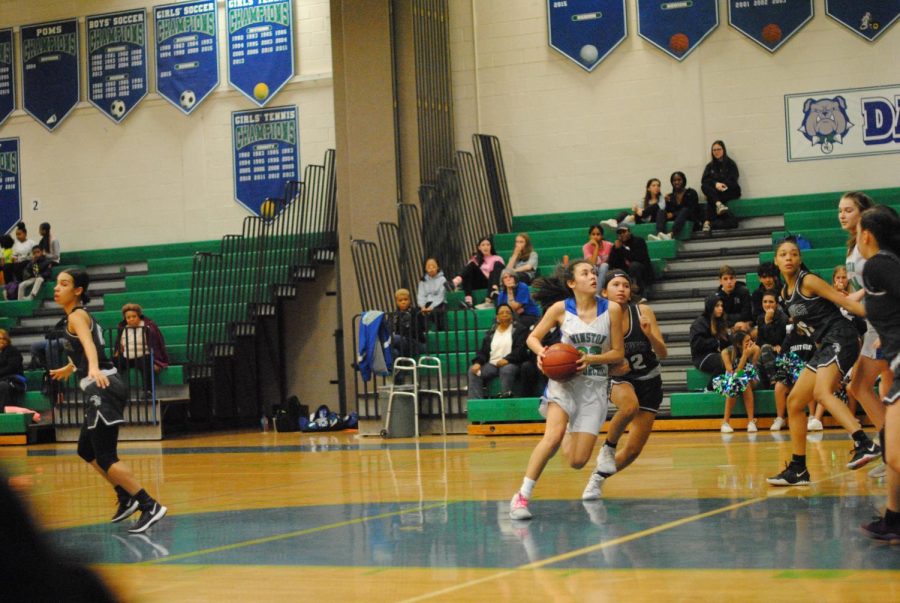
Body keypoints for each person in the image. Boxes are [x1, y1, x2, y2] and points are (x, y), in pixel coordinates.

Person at [48, 269, 167, 532]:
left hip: (103, 386)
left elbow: (91, 347)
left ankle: (149, 505)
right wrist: (71, 368)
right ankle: (125, 497)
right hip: (100, 385)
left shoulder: (77, 316)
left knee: (105, 455)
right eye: (56, 284)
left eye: (64, 284)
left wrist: (92, 367)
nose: (57, 288)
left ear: (78, 291)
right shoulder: (76, 317)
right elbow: (88, 347)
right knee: (86, 450)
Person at [509, 260, 624, 520]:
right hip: (563, 384)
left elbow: (618, 352)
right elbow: (532, 338)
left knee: (577, 461)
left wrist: (591, 360)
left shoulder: (613, 310)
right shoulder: (560, 309)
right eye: (585, 273)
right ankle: (521, 496)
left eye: (594, 273)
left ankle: (569, 428)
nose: (593, 277)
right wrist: (541, 354)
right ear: (572, 283)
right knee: (552, 437)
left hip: (594, 387)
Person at [766, 238, 880, 487]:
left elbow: (846, 303)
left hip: (841, 337)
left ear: (800, 259)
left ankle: (864, 442)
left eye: (794, 254)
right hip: (825, 346)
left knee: (821, 392)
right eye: (783, 254)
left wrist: (884, 318)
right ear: (776, 260)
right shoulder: (784, 294)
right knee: (794, 402)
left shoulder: (808, 280)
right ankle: (798, 469)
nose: (788, 258)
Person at [582, 270, 667, 500]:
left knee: (632, 451)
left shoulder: (643, 312)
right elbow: (592, 364)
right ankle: (608, 448)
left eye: (626, 285)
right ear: (603, 292)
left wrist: (650, 336)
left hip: (650, 381)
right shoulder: (598, 322)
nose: (622, 289)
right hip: (621, 380)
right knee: (629, 407)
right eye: (616, 284)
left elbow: (663, 353)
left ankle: (597, 478)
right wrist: (611, 369)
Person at [839, 192, 891, 478]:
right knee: (862, 387)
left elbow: (880, 281)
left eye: (848, 210)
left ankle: (890, 450)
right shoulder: (853, 244)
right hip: (873, 321)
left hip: (882, 323)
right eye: (840, 210)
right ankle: (889, 449)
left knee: (874, 389)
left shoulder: (874, 243)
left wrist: (852, 299)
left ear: (864, 213)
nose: (842, 215)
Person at [856, 205, 900, 540]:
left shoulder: (877, 264)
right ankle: (894, 517)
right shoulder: (882, 267)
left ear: (866, 234)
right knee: (891, 448)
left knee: (895, 454)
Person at [466, 304, 528, 400]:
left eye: (507, 312)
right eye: (501, 313)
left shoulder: (520, 330)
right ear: (497, 317)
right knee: (473, 371)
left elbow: (520, 350)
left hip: (511, 363)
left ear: (512, 316)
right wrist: (478, 363)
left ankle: (505, 399)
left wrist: (507, 359)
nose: (504, 314)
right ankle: (477, 403)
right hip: (492, 364)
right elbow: (483, 351)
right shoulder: (491, 332)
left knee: (506, 369)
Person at [113, 304, 170, 399]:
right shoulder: (123, 329)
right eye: (128, 317)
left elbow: (156, 345)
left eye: (134, 316)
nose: (131, 319)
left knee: (146, 364)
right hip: (128, 357)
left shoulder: (148, 327)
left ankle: (147, 391)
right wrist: (117, 353)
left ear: (139, 316)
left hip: (143, 356)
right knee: (114, 362)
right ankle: (116, 391)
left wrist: (157, 362)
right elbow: (119, 345)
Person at [770, 322, 816, 432]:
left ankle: (812, 417)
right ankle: (780, 418)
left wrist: (805, 367)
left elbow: (817, 356)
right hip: (792, 372)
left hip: (809, 371)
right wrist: (795, 367)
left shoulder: (812, 337)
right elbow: (782, 357)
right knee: (779, 387)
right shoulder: (790, 337)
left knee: (808, 381)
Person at [715, 330, 761, 433]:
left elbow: (752, 370)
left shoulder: (755, 349)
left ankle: (746, 422)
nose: (751, 343)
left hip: (752, 378)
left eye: (751, 340)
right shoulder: (726, 352)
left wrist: (746, 356)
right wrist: (744, 356)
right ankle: (731, 423)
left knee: (743, 380)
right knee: (740, 381)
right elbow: (732, 373)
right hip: (733, 380)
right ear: (738, 344)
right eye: (747, 341)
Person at [451, 237, 505, 309]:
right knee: (471, 266)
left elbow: (502, 273)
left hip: (491, 282)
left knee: (496, 265)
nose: (486, 247)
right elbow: (467, 272)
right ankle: (468, 300)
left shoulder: (497, 258)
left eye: (488, 245)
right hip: (478, 283)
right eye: (483, 245)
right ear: (479, 247)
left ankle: (494, 290)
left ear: (491, 247)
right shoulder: (475, 259)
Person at [690, 294, 730, 388]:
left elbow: (726, 341)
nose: (720, 308)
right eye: (717, 306)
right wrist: (716, 342)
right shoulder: (700, 323)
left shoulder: (720, 321)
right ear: (710, 307)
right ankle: (710, 388)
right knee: (723, 360)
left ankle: (731, 386)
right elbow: (697, 345)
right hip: (701, 357)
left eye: (721, 306)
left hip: (717, 354)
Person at [701, 140, 741, 233]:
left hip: (729, 190)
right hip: (717, 192)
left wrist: (722, 185)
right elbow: (704, 180)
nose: (716, 152)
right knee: (704, 187)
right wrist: (716, 184)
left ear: (723, 150)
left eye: (718, 149)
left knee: (711, 198)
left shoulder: (731, 163)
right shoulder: (710, 166)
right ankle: (719, 205)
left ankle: (707, 222)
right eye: (714, 150)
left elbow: (734, 178)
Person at [0, 329, 39, 421]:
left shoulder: (13, 351)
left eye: (2, 339)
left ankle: (6, 416)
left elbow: (12, 368)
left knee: (2, 386)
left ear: (7, 340)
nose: (0, 341)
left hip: (14, 380)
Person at [608, 224, 653, 297]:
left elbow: (638, 258)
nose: (622, 234)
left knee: (634, 266)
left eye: (624, 232)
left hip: (642, 271)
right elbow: (612, 263)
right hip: (626, 273)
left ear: (629, 232)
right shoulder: (617, 246)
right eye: (619, 233)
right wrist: (615, 250)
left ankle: (641, 291)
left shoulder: (639, 241)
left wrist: (622, 249)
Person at [755, 290, 787, 388]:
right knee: (761, 350)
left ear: (776, 304)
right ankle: (763, 384)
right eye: (765, 302)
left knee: (765, 349)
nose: (767, 304)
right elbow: (759, 340)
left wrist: (768, 322)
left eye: (771, 302)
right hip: (766, 352)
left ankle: (774, 382)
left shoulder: (782, 317)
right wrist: (771, 345)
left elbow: (778, 339)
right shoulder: (760, 318)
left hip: (781, 352)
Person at [385, 288, 426, 361]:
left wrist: (406, 325)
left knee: (393, 338)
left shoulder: (416, 312)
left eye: (405, 299)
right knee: (394, 352)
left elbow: (420, 330)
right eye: (400, 300)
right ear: (396, 302)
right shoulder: (393, 315)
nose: (403, 302)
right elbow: (388, 331)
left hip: (416, 343)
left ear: (409, 300)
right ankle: (398, 372)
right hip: (400, 344)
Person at [660, 171, 700, 238]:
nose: (677, 182)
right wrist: (664, 202)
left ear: (684, 181)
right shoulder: (670, 196)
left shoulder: (691, 192)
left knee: (685, 210)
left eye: (679, 180)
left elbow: (692, 209)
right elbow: (667, 212)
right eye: (674, 180)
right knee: (661, 211)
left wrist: (673, 214)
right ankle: (660, 233)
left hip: (690, 220)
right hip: (676, 220)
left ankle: (671, 234)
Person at [717, 264, 753, 332]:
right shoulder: (717, 297)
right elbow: (720, 318)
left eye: (731, 278)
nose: (729, 282)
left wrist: (728, 317)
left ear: (735, 279)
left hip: (743, 325)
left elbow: (746, 315)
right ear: (720, 281)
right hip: (726, 327)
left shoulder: (744, 292)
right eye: (725, 279)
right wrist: (734, 325)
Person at [417, 257, 448, 331]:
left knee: (437, 313)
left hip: (439, 303)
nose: (431, 269)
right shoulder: (423, 281)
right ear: (425, 268)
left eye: (433, 266)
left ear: (438, 267)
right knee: (417, 314)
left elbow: (441, 296)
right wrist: (422, 306)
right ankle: (422, 335)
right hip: (427, 303)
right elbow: (421, 295)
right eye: (428, 267)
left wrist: (431, 307)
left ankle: (439, 332)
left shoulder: (442, 279)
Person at [583, 224, 613, 291]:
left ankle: (597, 293)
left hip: (607, 270)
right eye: (593, 234)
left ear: (602, 236)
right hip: (593, 270)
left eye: (598, 234)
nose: (595, 236)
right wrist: (596, 247)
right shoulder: (586, 247)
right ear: (589, 236)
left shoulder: (609, 245)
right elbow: (592, 263)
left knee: (604, 265)